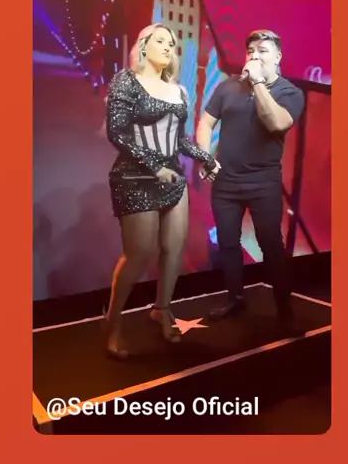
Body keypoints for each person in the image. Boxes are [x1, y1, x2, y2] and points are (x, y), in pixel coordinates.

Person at [104, 23, 220, 359]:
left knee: (174, 249)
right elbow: (117, 133)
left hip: (172, 179)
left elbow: (180, 140)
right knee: (139, 254)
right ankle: (113, 323)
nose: (169, 47)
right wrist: (156, 166)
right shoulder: (127, 80)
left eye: (172, 43)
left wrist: (206, 158)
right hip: (135, 177)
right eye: (161, 41)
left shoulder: (179, 91)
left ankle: (162, 309)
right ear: (143, 46)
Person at [196, 29, 305, 332]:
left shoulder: (289, 92)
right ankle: (235, 299)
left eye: (263, 51)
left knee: (270, 243)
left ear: (278, 57)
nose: (255, 56)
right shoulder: (228, 87)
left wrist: (257, 82)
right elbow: (205, 123)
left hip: (263, 183)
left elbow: (277, 123)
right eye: (251, 51)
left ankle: (284, 307)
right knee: (228, 243)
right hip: (226, 183)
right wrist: (205, 157)